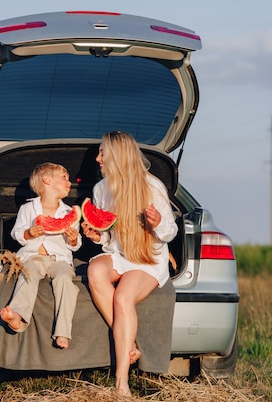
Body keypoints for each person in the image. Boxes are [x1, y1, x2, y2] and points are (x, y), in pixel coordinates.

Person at [82, 131, 178, 397]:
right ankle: (129, 341)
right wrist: (97, 235)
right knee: (94, 271)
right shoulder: (101, 188)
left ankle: (121, 381)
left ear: (117, 156)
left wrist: (158, 222)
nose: (98, 158)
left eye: (102, 153)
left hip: (147, 258)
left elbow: (171, 232)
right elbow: (109, 235)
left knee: (123, 298)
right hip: (119, 254)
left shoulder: (151, 186)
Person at [0, 162, 82, 349]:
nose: (69, 182)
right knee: (28, 276)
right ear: (47, 180)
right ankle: (17, 317)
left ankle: (63, 331)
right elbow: (16, 234)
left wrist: (74, 239)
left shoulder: (70, 213)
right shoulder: (27, 209)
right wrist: (29, 233)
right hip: (33, 256)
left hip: (59, 258)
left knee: (64, 280)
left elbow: (76, 246)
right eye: (64, 178)